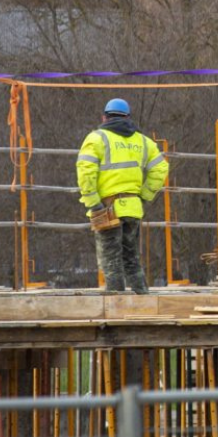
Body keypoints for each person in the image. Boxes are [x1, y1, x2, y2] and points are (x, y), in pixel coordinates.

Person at [76, 97, 169, 294]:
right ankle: (142, 300)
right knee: (132, 258)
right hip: (133, 208)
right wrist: (144, 196)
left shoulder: (96, 139)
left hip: (107, 209)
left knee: (111, 260)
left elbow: (85, 172)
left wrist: (93, 203)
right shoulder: (143, 141)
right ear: (128, 117)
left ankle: (116, 305)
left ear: (104, 117)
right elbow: (161, 169)